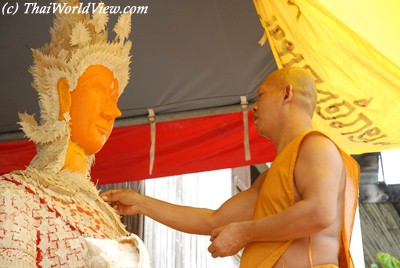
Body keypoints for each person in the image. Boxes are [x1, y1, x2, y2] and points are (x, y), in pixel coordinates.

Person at [101, 67, 360, 268]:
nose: (254, 107)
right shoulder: (273, 176)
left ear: (286, 93)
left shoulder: (316, 147)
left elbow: (319, 213)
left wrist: (245, 232)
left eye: (261, 95)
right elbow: (214, 220)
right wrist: (140, 203)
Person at [0, 1, 149, 267]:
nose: (113, 111)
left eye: (115, 98)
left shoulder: (108, 216)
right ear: (63, 95)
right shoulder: (14, 197)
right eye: (102, 93)